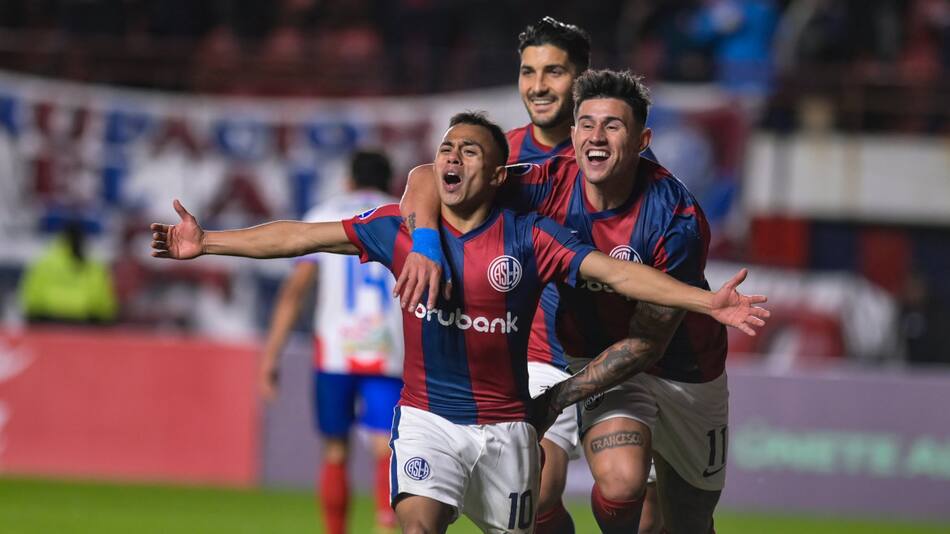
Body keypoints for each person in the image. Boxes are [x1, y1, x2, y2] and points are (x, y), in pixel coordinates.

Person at [152, 112, 767, 534]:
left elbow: (617, 274)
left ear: (498, 176)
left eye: (469, 151)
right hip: (427, 421)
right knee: (417, 523)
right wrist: (208, 242)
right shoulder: (401, 231)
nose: (452, 158)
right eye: (446, 148)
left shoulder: (529, 238)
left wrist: (701, 301)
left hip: (506, 432)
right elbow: (300, 237)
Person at [400, 70, 738, 533]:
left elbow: (647, 344)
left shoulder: (676, 217)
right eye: (586, 123)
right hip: (601, 358)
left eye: (613, 126)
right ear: (574, 132)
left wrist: (556, 398)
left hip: (685, 367)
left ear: (643, 140)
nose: (595, 137)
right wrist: (424, 242)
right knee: (620, 484)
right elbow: (426, 176)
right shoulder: (547, 183)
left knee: (691, 522)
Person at [510, 17, 662, 534]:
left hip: (611, 354)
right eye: (528, 72)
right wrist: (422, 245)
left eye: (553, 72)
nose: (537, 85)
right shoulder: (501, 156)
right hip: (535, 355)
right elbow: (426, 180)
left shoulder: (626, 161)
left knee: (630, 497)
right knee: (533, 498)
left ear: (581, 80)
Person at [259, 151, 403, 534]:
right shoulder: (401, 213)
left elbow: (294, 292)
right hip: (387, 350)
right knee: (386, 449)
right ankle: (386, 528)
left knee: (335, 450)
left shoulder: (324, 212)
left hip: (335, 351)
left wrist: (270, 356)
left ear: (349, 180)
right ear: (389, 181)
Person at [19, 220, 117, 325]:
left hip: (50, 323)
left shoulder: (43, 263)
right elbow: (104, 303)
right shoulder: (94, 266)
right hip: (81, 324)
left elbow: (30, 297)